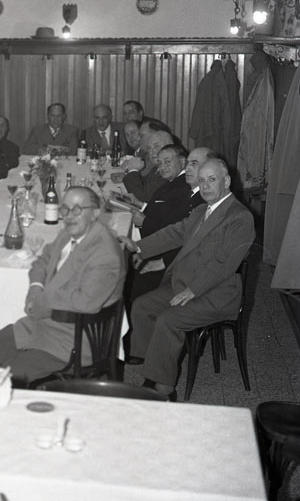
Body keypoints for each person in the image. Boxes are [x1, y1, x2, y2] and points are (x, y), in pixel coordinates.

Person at [119, 159, 255, 399]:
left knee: (168, 320)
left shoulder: (240, 217)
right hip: (185, 283)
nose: (205, 186)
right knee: (142, 306)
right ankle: (153, 365)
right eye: (201, 181)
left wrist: (193, 290)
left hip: (216, 293)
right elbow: (174, 233)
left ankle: (163, 388)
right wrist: (138, 246)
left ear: (226, 181)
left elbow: (224, 263)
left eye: (212, 180)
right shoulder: (202, 210)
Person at [0, 186, 126, 384]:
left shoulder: (105, 254)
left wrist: (42, 303)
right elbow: (43, 261)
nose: (69, 216)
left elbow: (84, 302)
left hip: (73, 338)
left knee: (11, 376)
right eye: (65, 209)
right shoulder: (69, 233)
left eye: (77, 209)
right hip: (44, 325)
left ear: (95, 214)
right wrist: (35, 287)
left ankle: (7, 401)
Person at [125, 144, 194, 304]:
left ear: (182, 162)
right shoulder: (172, 182)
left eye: (168, 162)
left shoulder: (183, 186)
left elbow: (173, 229)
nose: (162, 167)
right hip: (154, 246)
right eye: (160, 163)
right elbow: (163, 211)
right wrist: (141, 205)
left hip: (165, 255)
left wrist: (144, 222)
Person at [122, 129, 174, 203]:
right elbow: (144, 185)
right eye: (149, 148)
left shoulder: (170, 169)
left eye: (156, 146)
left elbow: (144, 197)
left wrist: (133, 170)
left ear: (170, 146)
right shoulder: (157, 167)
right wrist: (128, 174)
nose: (152, 152)